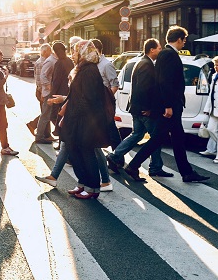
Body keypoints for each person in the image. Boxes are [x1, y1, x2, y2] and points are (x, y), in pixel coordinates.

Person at [124, 26, 210, 183]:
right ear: (178, 40)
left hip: (171, 105)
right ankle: (133, 165)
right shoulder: (169, 55)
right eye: (184, 40)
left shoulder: (166, 54)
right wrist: (168, 105)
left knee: (177, 138)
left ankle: (187, 172)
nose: (184, 43)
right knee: (158, 139)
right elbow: (165, 82)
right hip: (170, 106)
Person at [106, 38, 171, 177]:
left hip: (137, 107)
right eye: (159, 48)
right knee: (155, 138)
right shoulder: (147, 65)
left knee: (137, 134)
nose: (160, 50)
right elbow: (142, 88)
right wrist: (148, 108)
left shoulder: (140, 62)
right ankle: (155, 167)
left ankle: (114, 155)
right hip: (144, 109)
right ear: (152, 49)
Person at [57, 40, 110, 199]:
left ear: (83, 53)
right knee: (75, 152)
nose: (72, 55)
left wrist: (73, 115)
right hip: (76, 119)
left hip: (86, 121)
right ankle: (83, 183)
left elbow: (88, 99)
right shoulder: (81, 69)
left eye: (75, 51)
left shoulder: (89, 71)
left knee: (87, 153)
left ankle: (93, 187)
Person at [200, 55, 218, 163]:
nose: (215, 67)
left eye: (217, 65)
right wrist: (207, 108)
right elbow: (211, 95)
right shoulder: (215, 76)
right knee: (211, 129)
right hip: (214, 109)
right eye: (215, 65)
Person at [35, 43, 57, 143]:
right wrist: (42, 91)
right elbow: (40, 79)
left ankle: (46, 134)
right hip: (43, 90)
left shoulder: (43, 61)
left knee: (47, 113)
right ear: (44, 52)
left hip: (43, 90)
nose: (51, 52)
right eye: (49, 50)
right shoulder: (42, 62)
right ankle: (40, 135)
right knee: (45, 113)